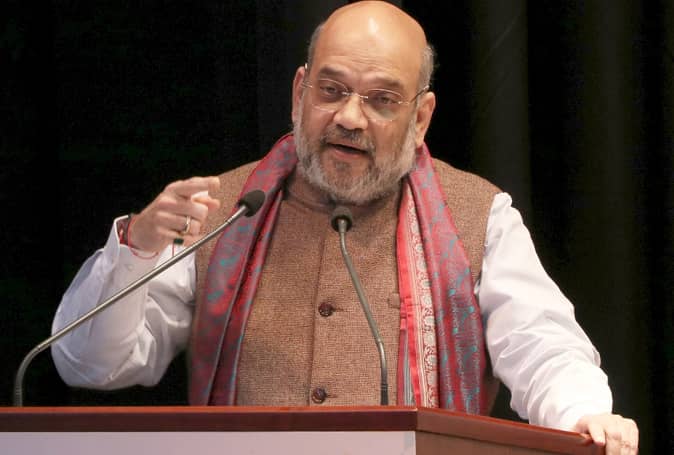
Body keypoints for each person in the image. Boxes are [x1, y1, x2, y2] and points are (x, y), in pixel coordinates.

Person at [52, 1, 638, 453]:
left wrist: (582, 413)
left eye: (382, 100)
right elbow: (91, 364)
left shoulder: (477, 215)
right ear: (299, 92)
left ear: (421, 117)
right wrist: (137, 249)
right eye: (331, 91)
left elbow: (539, 342)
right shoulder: (221, 207)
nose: (350, 117)